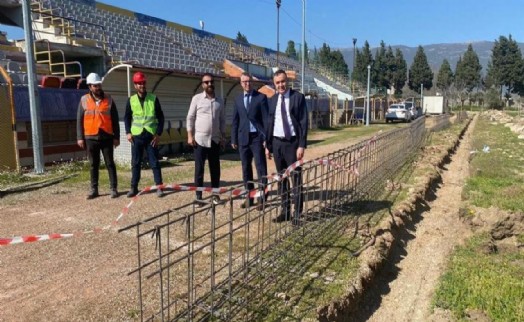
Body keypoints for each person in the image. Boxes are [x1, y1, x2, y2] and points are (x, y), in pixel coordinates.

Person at [265, 69, 308, 223]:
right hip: (277, 144)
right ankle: (285, 211)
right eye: (277, 83)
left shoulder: (298, 98)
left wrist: (301, 145)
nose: (281, 85)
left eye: (283, 81)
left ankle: (297, 213)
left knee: (296, 179)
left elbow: (303, 123)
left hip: (292, 144)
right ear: (274, 84)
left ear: (287, 81)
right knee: (281, 179)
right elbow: (270, 124)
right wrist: (268, 145)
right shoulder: (272, 100)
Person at [76, 72, 120, 200]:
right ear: (90, 87)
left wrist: (116, 137)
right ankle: (94, 189)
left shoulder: (109, 99)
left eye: (99, 85)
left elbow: (115, 120)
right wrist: (80, 137)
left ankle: (113, 188)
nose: (98, 87)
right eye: (95, 86)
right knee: (93, 164)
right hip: (90, 137)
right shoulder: (84, 100)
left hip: (106, 136)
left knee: (110, 163)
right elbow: (79, 119)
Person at [186, 73, 225, 205]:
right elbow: (190, 117)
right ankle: (198, 196)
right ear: (202, 84)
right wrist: (190, 136)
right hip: (200, 140)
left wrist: (223, 136)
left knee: (215, 169)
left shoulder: (219, 100)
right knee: (199, 169)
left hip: (214, 140)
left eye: (211, 82)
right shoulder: (197, 99)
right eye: (206, 82)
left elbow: (222, 120)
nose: (209, 84)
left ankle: (215, 195)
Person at [124, 72, 165, 198]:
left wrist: (158, 134)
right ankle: (134, 187)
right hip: (136, 137)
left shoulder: (153, 98)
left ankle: (159, 187)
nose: (142, 85)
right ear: (135, 85)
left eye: (143, 82)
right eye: (139, 83)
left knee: (154, 162)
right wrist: (128, 132)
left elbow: (161, 117)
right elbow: (127, 118)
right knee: (135, 163)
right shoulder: (131, 100)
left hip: (150, 136)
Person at [231, 73, 268, 209]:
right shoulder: (237, 99)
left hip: (257, 138)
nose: (247, 83)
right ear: (241, 83)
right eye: (244, 81)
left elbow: (266, 120)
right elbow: (235, 120)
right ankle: (250, 196)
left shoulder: (261, 98)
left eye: (249, 81)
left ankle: (262, 197)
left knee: (260, 168)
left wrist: (266, 138)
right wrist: (234, 138)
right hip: (243, 139)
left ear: (252, 82)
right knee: (246, 169)